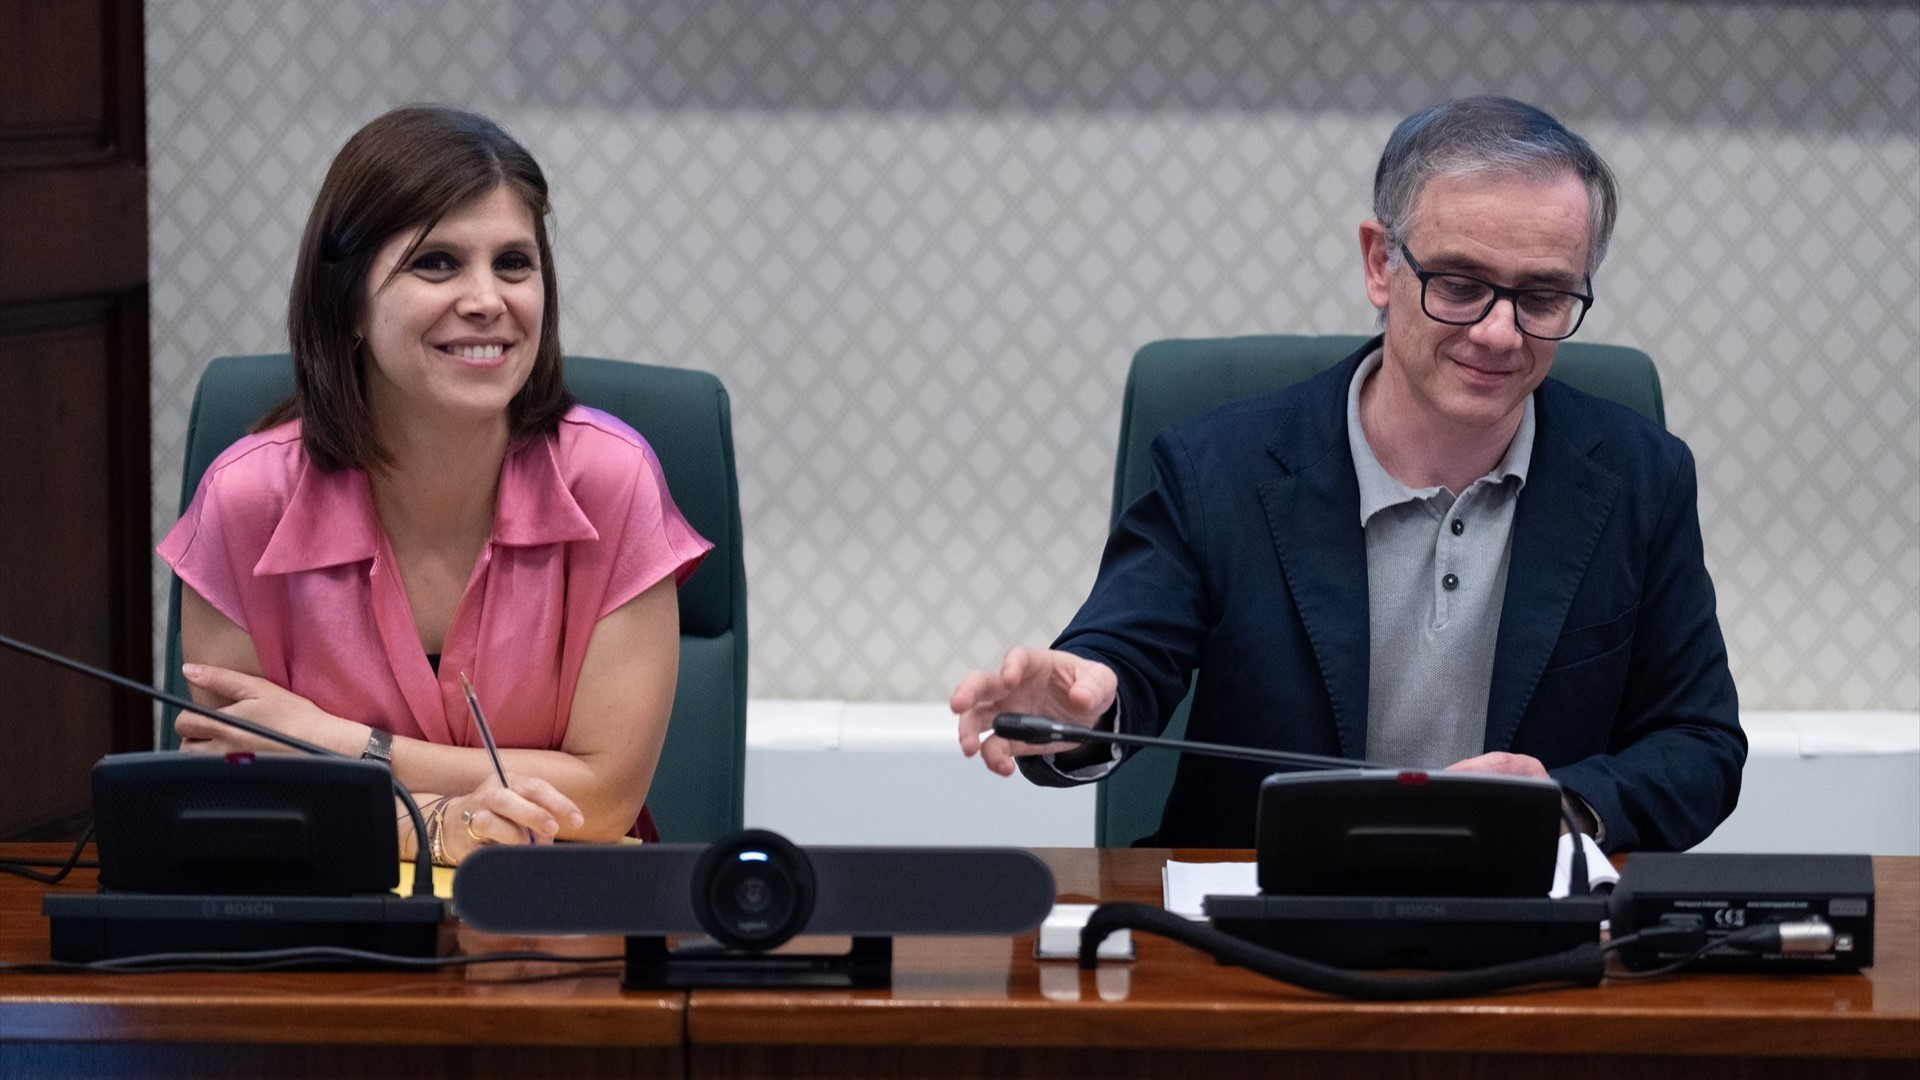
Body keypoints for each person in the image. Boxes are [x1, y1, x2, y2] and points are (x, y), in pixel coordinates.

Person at [952, 96, 1745, 852]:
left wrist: (1567, 804)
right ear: (1380, 264)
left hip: (1525, 931)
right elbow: (1117, 660)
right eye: (1461, 286)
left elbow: (1702, 745)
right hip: (1261, 933)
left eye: (1542, 296)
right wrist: (1081, 704)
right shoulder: (1219, 468)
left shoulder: (1642, 477)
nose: (1500, 333)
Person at [160, 105, 711, 865]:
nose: (487, 299)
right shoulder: (245, 502)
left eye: (514, 264)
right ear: (347, 299)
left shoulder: (612, 482)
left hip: (560, 934)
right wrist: (444, 823)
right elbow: (248, 791)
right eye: (437, 263)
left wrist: (340, 744)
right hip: (323, 937)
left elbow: (603, 798)